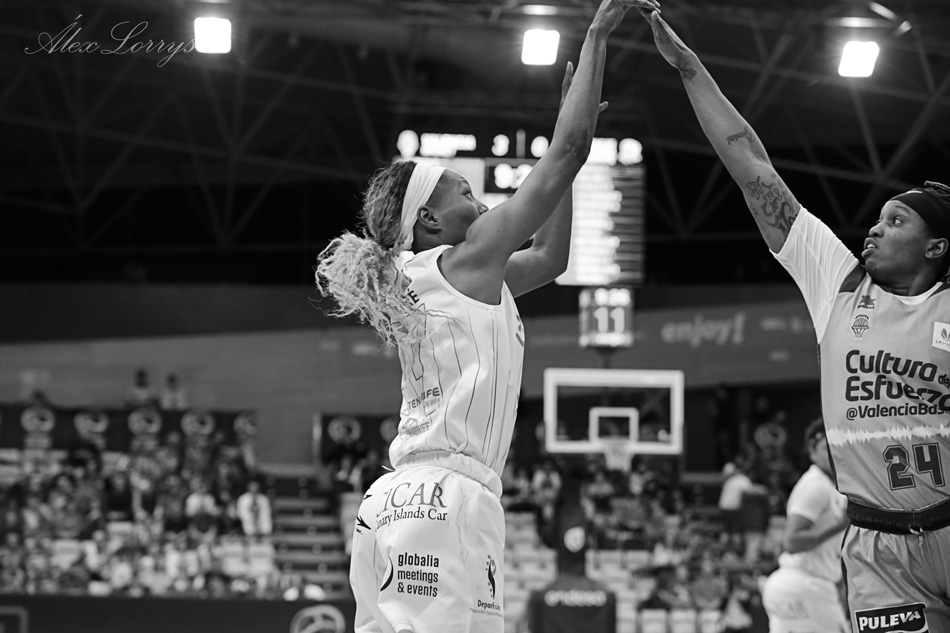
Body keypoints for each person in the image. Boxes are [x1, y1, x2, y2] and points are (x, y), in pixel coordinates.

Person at [315, 2, 658, 630]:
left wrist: (566, 153)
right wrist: (597, 35)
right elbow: (570, 149)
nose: (480, 202)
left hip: (409, 499)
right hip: (441, 497)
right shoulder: (464, 260)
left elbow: (550, 258)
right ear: (428, 219)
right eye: (466, 193)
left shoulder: (451, 278)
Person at [644, 9, 950, 629]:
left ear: (937, 247)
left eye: (896, 221)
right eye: (878, 217)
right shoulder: (839, 285)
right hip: (879, 548)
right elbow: (753, 167)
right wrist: (691, 70)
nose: (874, 228)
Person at [761, 418, 850, 633]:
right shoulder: (815, 485)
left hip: (797, 586)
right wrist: (840, 525)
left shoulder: (833, 486)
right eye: (826, 448)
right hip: (804, 585)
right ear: (812, 452)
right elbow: (792, 542)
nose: (833, 454)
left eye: (837, 446)